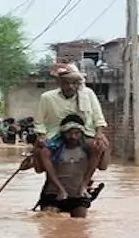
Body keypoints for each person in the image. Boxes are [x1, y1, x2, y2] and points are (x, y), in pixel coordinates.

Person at [33, 62, 109, 199]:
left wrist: (98, 134)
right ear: (60, 83)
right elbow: (39, 122)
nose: (70, 86)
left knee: (99, 147)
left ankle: (85, 184)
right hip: (56, 134)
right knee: (42, 151)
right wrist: (41, 135)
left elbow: (99, 117)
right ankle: (54, 184)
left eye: (74, 83)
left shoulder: (88, 94)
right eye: (66, 83)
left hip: (84, 133)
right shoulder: (47, 97)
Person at [35, 115, 101, 218]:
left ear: (81, 133)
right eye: (69, 133)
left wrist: (84, 185)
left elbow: (103, 166)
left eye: (76, 133)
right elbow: (39, 169)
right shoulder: (50, 150)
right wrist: (36, 151)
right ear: (62, 133)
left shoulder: (90, 149)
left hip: (78, 194)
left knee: (80, 224)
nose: (73, 137)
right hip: (53, 194)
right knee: (48, 221)